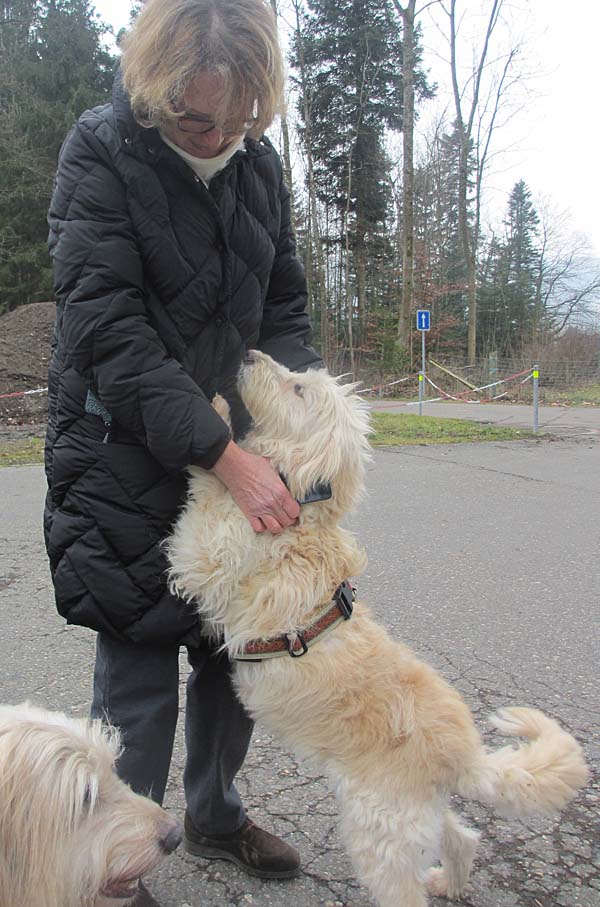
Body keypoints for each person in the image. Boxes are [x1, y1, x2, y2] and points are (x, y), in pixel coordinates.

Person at [43, 0, 322, 902]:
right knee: (138, 672)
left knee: (235, 658)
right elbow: (110, 333)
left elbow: (284, 309)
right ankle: (117, 859)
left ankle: (214, 814)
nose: (216, 137)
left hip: (237, 454)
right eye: (197, 119)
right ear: (157, 88)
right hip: (123, 455)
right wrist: (225, 455)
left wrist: (298, 419)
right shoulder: (99, 152)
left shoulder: (260, 168)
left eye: (238, 120)